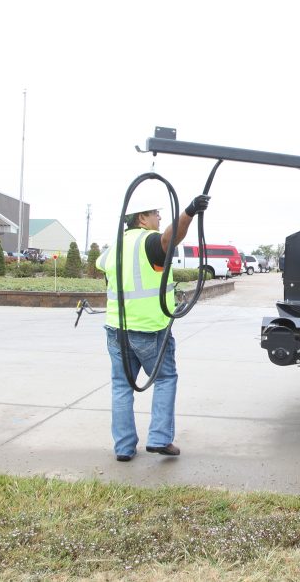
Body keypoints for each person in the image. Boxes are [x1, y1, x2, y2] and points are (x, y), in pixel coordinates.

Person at [96, 191, 210, 462]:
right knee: (166, 378)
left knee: (121, 386)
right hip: (149, 330)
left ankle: (123, 447)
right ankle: (159, 438)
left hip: (116, 329)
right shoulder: (148, 242)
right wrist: (190, 211)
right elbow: (171, 239)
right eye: (155, 212)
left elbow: (102, 267)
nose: (159, 216)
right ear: (141, 218)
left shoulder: (115, 245)